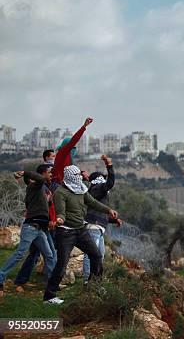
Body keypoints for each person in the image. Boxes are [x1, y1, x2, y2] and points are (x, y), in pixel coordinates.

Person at [14, 118, 93, 288]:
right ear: (67, 148)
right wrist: (83, 128)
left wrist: (82, 173)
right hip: (57, 193)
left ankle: (31, 279)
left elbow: (73, 173)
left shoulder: (69, 162)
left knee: (43, 248)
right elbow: (72, 141)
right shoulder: (63, 155)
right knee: (47, 245)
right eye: (73, 149)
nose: (74, 152)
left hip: (59, 194)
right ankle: (43, 281)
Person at [43, 165, 118, 304]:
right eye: (76, 175)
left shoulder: (82, 189)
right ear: (70, 176)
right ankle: (49, 297)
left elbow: (93, 202)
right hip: (66, 232)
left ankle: (93, 286)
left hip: (80, 230)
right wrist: (59, 219)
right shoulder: (61, 193)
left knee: (96, 256)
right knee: (62, 264)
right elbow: (61, 211)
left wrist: (108, 210)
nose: (80, 176)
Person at [0, 165, 56, 297]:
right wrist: (25, 172)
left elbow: (46, 207)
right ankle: (1, 277)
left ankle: (52, 284)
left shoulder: (42, 190)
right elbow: (40, 180)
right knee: (20, 253)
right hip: (31, 227)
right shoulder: (33, 187)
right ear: (31, 180)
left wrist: (49, 202)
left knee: (49, 255)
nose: (51, 175)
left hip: (40, 229)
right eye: (49, 172)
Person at [82, 155, 122, 282]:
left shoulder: (96, 191)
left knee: (99, 255)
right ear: (98, 180)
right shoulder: (98, 189)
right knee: (91, 255)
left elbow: (99, 212)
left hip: (98, 227)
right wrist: (109, 165)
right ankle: (87, 281)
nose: (105, 181)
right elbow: (110, 183)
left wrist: (114, 220)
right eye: (102, 178)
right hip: (93, 227)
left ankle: (94, 280)